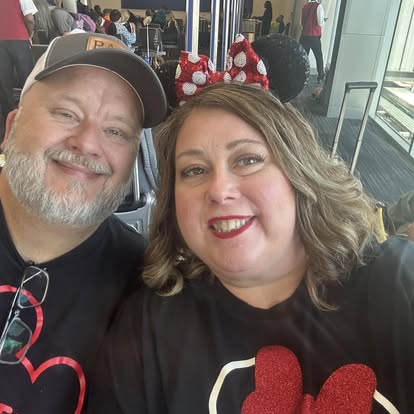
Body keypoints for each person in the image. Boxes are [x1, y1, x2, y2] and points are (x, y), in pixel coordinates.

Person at [87, 81, 414, 413]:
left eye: (247, 160)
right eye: (195, 170)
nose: (219, 190)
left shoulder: (397, 285)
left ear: (299, 173)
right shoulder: (149, 328)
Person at [0, 32, 167, 413]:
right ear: (11, 128)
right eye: (67, 114)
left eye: (116, 131)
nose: (88, 143)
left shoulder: (146, 288)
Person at [0, 0, 37, 135]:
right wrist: (30, 33)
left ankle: (9, 120)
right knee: (28, 78)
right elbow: (29, 18)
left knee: (4, 82)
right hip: (19, 38)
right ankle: (31, 113)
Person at [300, 0, 325, 83]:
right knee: (318, 56)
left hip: (304, 36)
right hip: (314, 37)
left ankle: (302, 76)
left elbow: (302, 22)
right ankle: (320, 76)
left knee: (303, 57)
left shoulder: (305, 6)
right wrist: (324, 20)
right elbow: (320, 22)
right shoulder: (318, 6)